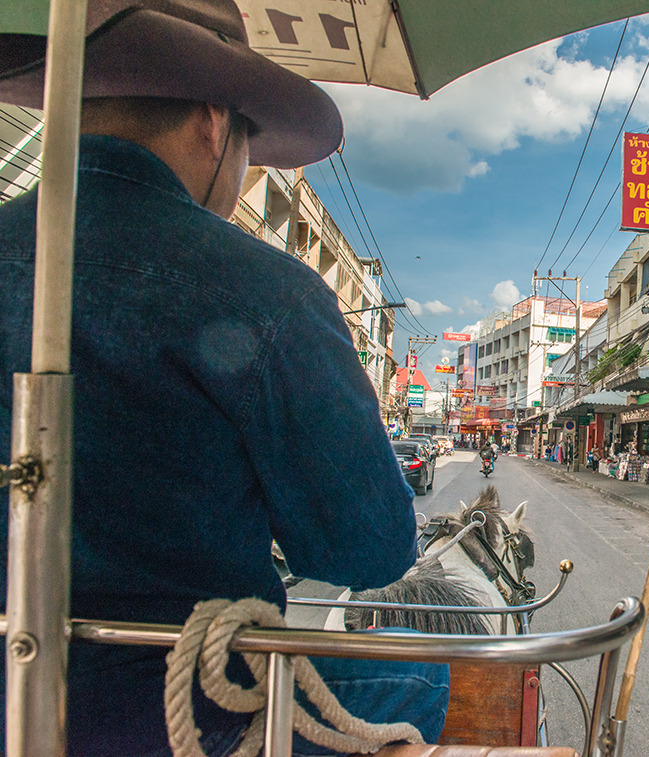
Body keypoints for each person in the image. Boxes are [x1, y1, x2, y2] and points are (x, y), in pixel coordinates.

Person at [0, 2, 446, 755]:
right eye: (248, 145)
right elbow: (369, 549)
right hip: (186, 711)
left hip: (20, 689)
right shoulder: (271, 294)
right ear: (213, 122)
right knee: (420, 673)